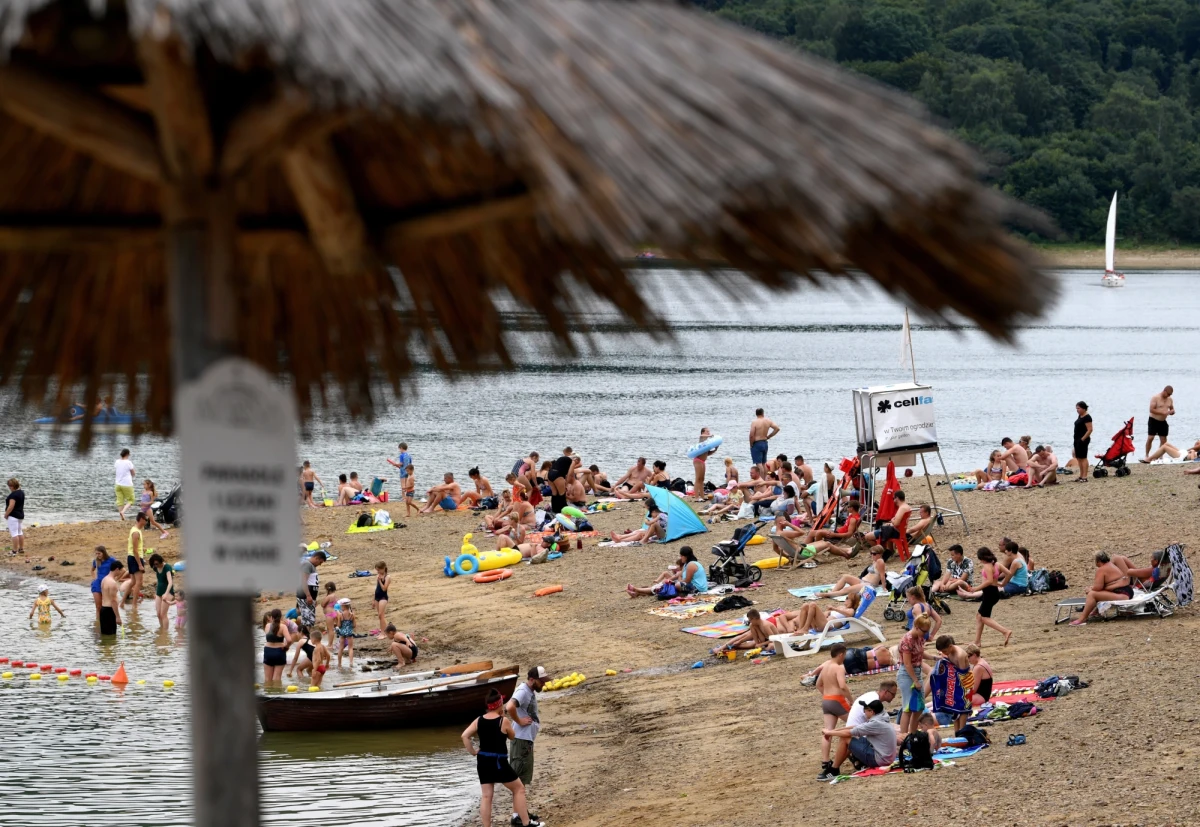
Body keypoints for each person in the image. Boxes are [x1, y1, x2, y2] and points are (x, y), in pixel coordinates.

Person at [464, 689, 540, 827]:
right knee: (519, 789)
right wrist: (503, 716)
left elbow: (465, 736)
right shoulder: (503, 721)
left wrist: (473, 752)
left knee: (486, 796)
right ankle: (526, 823)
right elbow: (512, 735)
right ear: (499, 705)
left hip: (483, 761)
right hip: (499, 762)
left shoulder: (479, 720)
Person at [506, 666, 550, 826]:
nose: (544, 684)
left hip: (525, 740)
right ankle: (517, 816)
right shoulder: (524, 691)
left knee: (522, 780)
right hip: (521, 740)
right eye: (541, 681)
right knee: (519, 780)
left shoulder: (528, 691)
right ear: (532, 679)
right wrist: (519, 721)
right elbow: (509, 707)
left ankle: (520, 812)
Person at [822, 698, 897, 777]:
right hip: (886, 756)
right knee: (852, 738)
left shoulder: (875, 723)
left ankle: (834, 769)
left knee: (845, 738)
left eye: (865, 710)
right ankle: (856, 761)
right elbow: (857, 727)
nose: (864, 713)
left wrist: (829, 733)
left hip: (880, 760)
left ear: (871, 712)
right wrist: (833, 731)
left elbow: (849, 732)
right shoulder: (882, 716)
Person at [960, 547, 1012, 646]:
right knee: (979, 616)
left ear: (982, 558)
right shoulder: (997, 564)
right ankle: (977, 641)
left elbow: (988, 581)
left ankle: (1005, 631)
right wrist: (1002, 584)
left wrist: (976, 588)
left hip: (989, 593)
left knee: (984, 618)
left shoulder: (987, 566)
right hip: (994, 592)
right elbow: (1009, 573)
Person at [815, 643, 852, 780]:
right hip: (837, 700)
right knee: (856, 724)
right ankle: (856, 753)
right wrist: (850, 699)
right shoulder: (838, 667)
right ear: (841, 654)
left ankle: (825, 761)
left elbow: (819, 684)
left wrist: (826, 695)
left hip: (827, 700)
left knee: (828, 731)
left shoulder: (825, 667)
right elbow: (842, 686)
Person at [1070, 550, 1135, 626]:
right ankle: (1096, 610)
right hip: (1128, 592)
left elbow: (1098, 587)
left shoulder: (1101, 569)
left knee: (1092, 594)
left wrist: (1090, 589)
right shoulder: (1111, 565)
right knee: (1096, 593)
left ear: (1098, 561)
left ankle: (1082, 619)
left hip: (1123, 595)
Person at [897, 614, 935, 734]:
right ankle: (904, 736)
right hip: (907, 674)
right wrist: (915, 680)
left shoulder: (920, 637)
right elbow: (907, 663)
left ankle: (912, 733)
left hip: (916, 672)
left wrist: (935, 658)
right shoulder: (907, 640)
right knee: (907, 708)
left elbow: (920, 653)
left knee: (919, 707)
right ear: (916, 627)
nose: (925, 634)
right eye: (924, 631)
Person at [626, 546, 707, 597]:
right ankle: (639, 591)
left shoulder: (691, 565)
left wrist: (676, 580)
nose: (680, 557)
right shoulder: (687, 564)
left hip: (698, 588)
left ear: (686, 556)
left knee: (675, 585)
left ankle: (638, 590)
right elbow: (680, 575)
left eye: (681, 556)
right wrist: (672, 579)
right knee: (667, 584)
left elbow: (687, 580)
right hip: (689, 585)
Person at [933, 635, 973, 731]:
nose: (944, 653)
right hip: (955, 681)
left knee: (963, 709)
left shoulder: (960, 655)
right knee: (954, 710)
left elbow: (963, 675)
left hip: (965, 684)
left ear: (950, 646)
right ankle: (957, 733)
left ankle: (962, 732)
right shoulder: (948, 653)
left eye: (945, 651)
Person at [823, 546, 888, 597]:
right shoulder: (875, 560)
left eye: (874, 554)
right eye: (871, 553)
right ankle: (833, 592)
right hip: (863, 581)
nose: (872, 555)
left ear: (880, 554)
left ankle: (827, 595)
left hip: (869, 585)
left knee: (847, 590)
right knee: (845, 577)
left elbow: (882, 575)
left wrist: (884, 588)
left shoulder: (880, 561)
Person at [713, 608, 777, 653]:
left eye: (750, 620)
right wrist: (758, 644)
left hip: (775, 641)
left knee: (770, 646)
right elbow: (747, 638)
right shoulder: (755, 625)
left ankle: (728, 647)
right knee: (753, 641)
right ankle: (727, 647)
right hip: (765, 640)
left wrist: (760, 644)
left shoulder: (765, 625)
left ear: (754, 618)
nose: (749, 622)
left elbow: (774, 639)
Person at [296, 549, 327, 629]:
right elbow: (303, 581)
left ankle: (306, 639)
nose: (320, 564)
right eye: (320, 562)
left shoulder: (311, 566)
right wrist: (308, 595)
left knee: (310, 620)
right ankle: (305, 639)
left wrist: (313, 598)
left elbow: (311, 582)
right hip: (304, 595)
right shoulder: (307, 565)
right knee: (307, 621)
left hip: (309, 596)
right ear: (316, 558)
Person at [1144, 385, 1175, 459]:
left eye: (1170, 395)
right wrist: (1162, 413)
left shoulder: (1170, 399)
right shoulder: (1155, 398)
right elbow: (1151, 409)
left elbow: (1172, 408)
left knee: (1163, 439)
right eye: (1168, 394)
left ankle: (1160, 455)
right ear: (1164, 391)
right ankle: (1147, 455)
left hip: (1163, 421)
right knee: (1151, 438)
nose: (1168, 396)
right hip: (1153, 420)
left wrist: (1172, 412)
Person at [262, 608, 291, 687]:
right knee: (276, 678)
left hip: (268, 652)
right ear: (280, 617)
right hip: (279, 652)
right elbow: (289, 640)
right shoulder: (283, 627)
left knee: (268, 679)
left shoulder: (267, 626)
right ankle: (277, 695)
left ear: (271, 617)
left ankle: (268, 695)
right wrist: (286, 647)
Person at [125, 512, 148, 606]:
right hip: (135, 558)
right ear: (141, 519)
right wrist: (140, 564)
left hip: (132, 557)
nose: (146, 522)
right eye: (146, 520)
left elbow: (134, 547)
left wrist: (142, 549)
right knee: (139, 582)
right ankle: (134, 606)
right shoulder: (136, 532)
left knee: (133, 582)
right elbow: (135, 550)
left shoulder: (135, 530)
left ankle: (122, 602)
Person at [147, 553, 175, 629]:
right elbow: (159, 580)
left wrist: (166, 593)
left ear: (160, 561)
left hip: (168, 592)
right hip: (159, 592)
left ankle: (165, 633)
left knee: (163, 614)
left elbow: (170, 582)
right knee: (158, 614)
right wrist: (155, 592)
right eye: (154, 564)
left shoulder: (167, 567)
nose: (156, 565)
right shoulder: (155, 568)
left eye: (157, 563)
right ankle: (162, 631)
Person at [749, 408, 780, 472]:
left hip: (757, 443)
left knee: (759, 463)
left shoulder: (754, 422)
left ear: (756, 414)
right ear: (763, 413)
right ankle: (766, 478)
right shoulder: (768, 421)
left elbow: (751, 435)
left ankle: (762, 479)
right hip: (764, 442)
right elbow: (777, 428)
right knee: (764, 463)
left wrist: (751, 444)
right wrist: (769, 436)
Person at [99, 560, 125, 636]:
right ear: (117, 569)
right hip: (109, 611)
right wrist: (118, 617)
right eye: (120, 571)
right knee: (111, 635)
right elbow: (113, 601)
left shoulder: (104, 579)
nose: (120, 573)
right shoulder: (112, 583)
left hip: (103, 609)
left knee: (105, 635)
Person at [692, 427, 719, 500]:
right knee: (698, 479)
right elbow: (701, 436)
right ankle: (697, 497)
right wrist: (710, 436)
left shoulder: (707, 444)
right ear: (703, 432)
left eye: (709, 432)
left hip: (703, 461)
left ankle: (702, 496)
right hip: (697, 460)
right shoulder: (702, 440)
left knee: (702, 479)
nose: (709, 433)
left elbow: (707, 454)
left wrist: (715, 449)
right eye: (707, 431)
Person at [90, 545, 115, 619]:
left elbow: (120, 569)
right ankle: (98, 623)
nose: (98, 555)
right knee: (98, 606)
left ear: (103, 553)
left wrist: (114, 579)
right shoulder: (96, 561)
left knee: (108, 605)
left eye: (99, 553)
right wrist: (95, 579)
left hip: (107, 584)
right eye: (96, 554)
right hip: (97, 584)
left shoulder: (111, 560)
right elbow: (92, 570)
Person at [113, 448, 137, 520]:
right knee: (131, 500)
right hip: (127, 484)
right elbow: (133, 473)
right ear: (128, 454)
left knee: (120, 501)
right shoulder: (128, 462)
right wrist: (132, 475)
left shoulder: (117, 462)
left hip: (117, 484)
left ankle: (122, 518)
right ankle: (123, 512)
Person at [1073, 401, 1093, 482]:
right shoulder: (1080, 416)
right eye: (1076, 408)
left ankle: (1085, 476)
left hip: (1083, 439)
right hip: (1076, 439)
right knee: (1078, 457)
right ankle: (1081, 475)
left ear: (1083, 408)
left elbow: (1090, 429)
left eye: (1078, 408)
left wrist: (1083, 439)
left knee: (1083, 457)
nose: (1077, 410)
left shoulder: (1087, 417)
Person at [5, 478, 24, 555]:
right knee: (20, 532)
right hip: (20, 514)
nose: (9, 487)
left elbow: (11, 506)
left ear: (12, 486)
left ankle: (14, 551)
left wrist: (6, 514)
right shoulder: (21, 492)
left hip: (13, 516)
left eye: (10, 486)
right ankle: (21, 548)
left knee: (14, 533)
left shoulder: (13, 495)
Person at [335, 599, 356, 667]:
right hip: (349, 632)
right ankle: (351, 663)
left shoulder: (341, 615)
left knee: (341, 648)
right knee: (350, 648)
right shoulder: (352, 615)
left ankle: (339, 663)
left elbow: (339, 625)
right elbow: (354, 625)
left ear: (343, 606)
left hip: (342, 632)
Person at [374, 561, 391, 634]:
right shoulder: (378, 576)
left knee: (381, 615)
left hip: (383, 597)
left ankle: (383, 633)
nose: (378, 571)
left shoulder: (387, 577)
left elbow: (384, 588)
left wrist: (380, 580)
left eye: (379, 570)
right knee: (380, 616)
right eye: (377, 570)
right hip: (377, 597)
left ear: (383, 568)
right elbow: (377, 588)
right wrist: (373, 599)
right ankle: (384, 631)